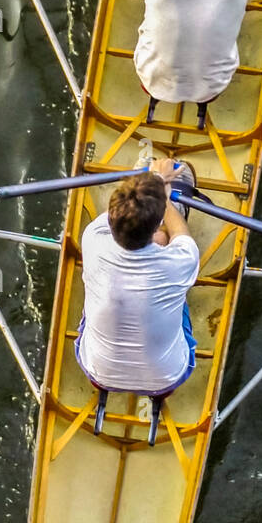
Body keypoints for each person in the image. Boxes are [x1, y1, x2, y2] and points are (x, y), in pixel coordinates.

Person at [76, 160, 200, 395]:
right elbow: (181, 234)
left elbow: (116, 215)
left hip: (97, 374)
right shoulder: (181, 261)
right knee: (167, 240)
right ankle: (163, 223)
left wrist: (144, 187)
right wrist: (162, 193)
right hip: (167, 379)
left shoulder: (92, 238)